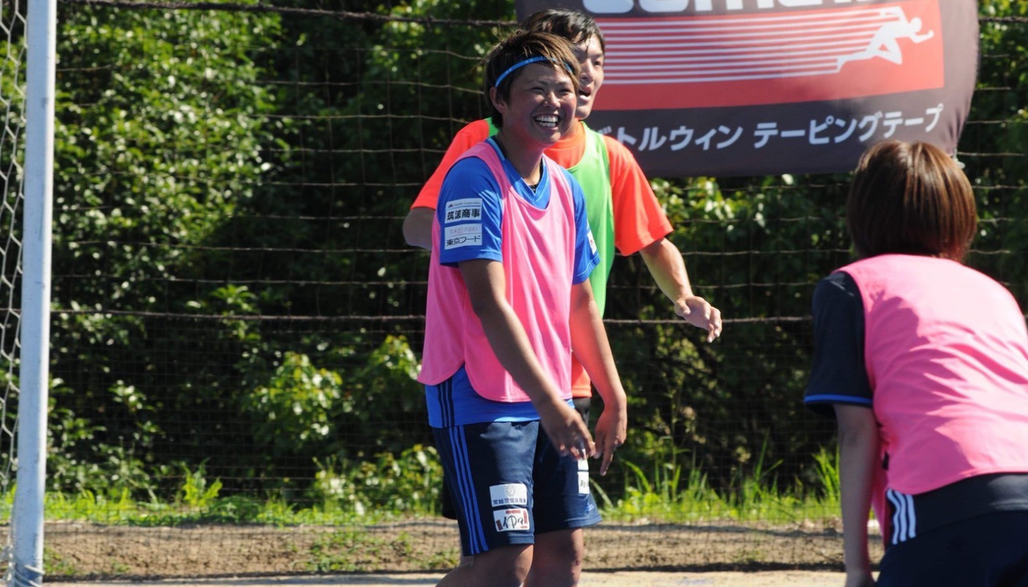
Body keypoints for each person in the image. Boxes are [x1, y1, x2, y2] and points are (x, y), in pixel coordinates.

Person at [405, 6, 721, 437]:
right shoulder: (479, 146)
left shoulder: (608, 158)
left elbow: (651, 243)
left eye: (597, 61)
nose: (587, 73)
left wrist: (684, 295)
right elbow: (418, 226)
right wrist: (490, 247)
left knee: (571, 481)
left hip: (569, 371)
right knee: (491, 483)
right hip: (485, 367)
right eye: (575, 58)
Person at [418, 29, 628, 587]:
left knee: (563, 557)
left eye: (563, 90)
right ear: (500, 99)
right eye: (537, 89)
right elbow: (489, 304)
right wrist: (550, 403)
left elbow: (580, 303)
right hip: (480, 396)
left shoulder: (565, 186)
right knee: (504, 562)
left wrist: (613, 394)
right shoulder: (472, 178)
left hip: (548, 395)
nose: (553, 102)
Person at [804, 140, 1028, 587]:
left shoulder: (849, 288)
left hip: (943, 498)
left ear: (862, 213)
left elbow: (856, 432)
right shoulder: (994, 292)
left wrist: (856, 569)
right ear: (959, 215)